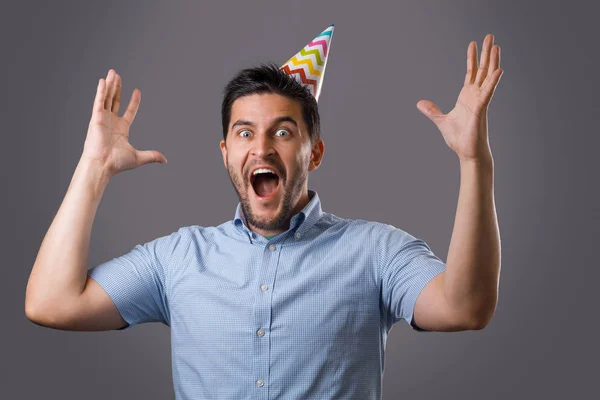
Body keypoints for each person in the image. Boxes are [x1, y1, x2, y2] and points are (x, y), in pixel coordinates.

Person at [25, 26, 502, 399]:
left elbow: (465, 307)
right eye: (245, 132)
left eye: (283, 132)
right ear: (225, 152)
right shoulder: (177, 258)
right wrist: (94, 169)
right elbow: (50, 303)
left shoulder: (377, 252)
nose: (262, 148)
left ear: (313, 154)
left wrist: (474, 161)